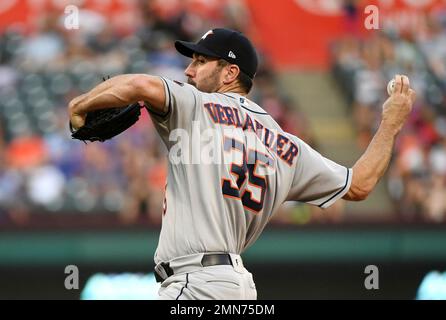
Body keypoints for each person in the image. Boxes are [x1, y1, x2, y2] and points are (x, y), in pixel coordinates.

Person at [68, 28, 416, 300]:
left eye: (201, 61)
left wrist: (79, 107)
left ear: (229, 72)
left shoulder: (195, 106)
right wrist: (390, 124)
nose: (189, 71)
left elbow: (139, 84)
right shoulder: (287, 146)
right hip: (236, 286)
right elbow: (360, 184)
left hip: (194, 285)